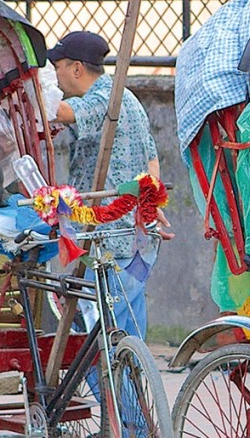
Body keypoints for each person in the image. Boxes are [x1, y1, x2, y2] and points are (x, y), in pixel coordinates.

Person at [48, 31, 173, 339]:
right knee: (130, 332)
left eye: (58, 67)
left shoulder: (103, 99)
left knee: (102, 336)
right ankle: (134, 385)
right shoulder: (126, 97)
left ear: (76, 68)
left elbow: (63, 112)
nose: (56, 74)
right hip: (135, 237)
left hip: (107, 240)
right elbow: (152, 162)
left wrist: (34, 86)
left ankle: (112, 388)